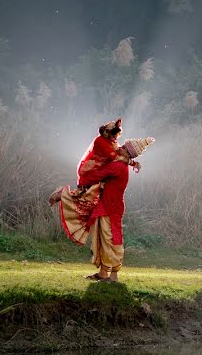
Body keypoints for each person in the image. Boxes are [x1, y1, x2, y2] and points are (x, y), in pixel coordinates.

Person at [50, 118, 152, 282]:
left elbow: (99, 174)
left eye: (124, 148)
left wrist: (83, 180)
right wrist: (131, 162)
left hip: (109, 207)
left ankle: (111, 275)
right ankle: (107, 274)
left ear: (128, 153)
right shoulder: (122, 163)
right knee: (108, 238)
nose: (120, 147)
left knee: (109, 238)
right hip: (109, 205)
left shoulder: (118, 166)